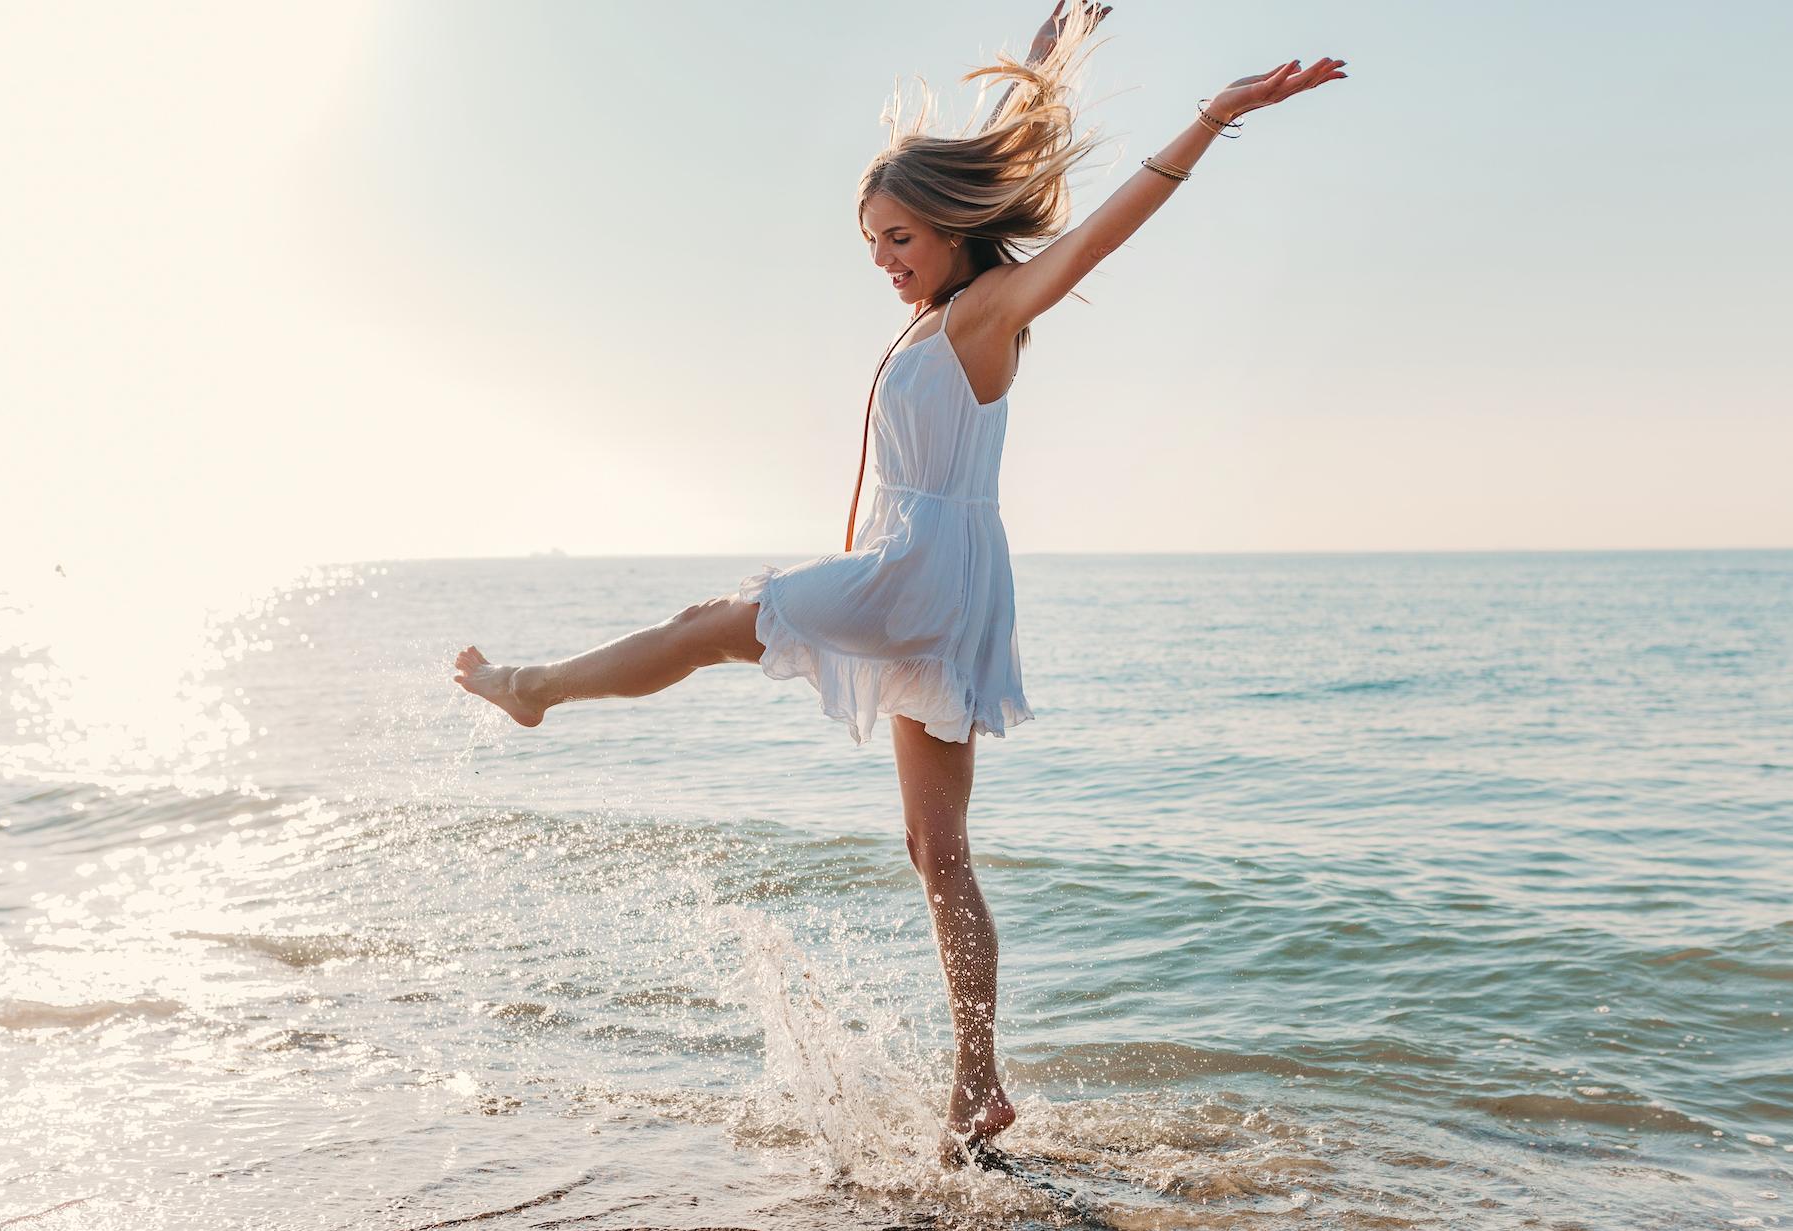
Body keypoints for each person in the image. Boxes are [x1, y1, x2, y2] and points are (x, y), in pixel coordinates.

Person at [454, 2, 1345, 1159]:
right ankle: (975, 1087)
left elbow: (1102, 234)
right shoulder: (945, 313)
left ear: (952, 230)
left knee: (712, 620)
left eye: (897, 239)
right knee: (939, 853)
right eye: (871, 243)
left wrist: (1210, 117)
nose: (883, 261)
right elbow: (990, 167)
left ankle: (531, 687)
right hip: (945, 585)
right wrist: (1036, 76)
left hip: (918, 572)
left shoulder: (983, 312)